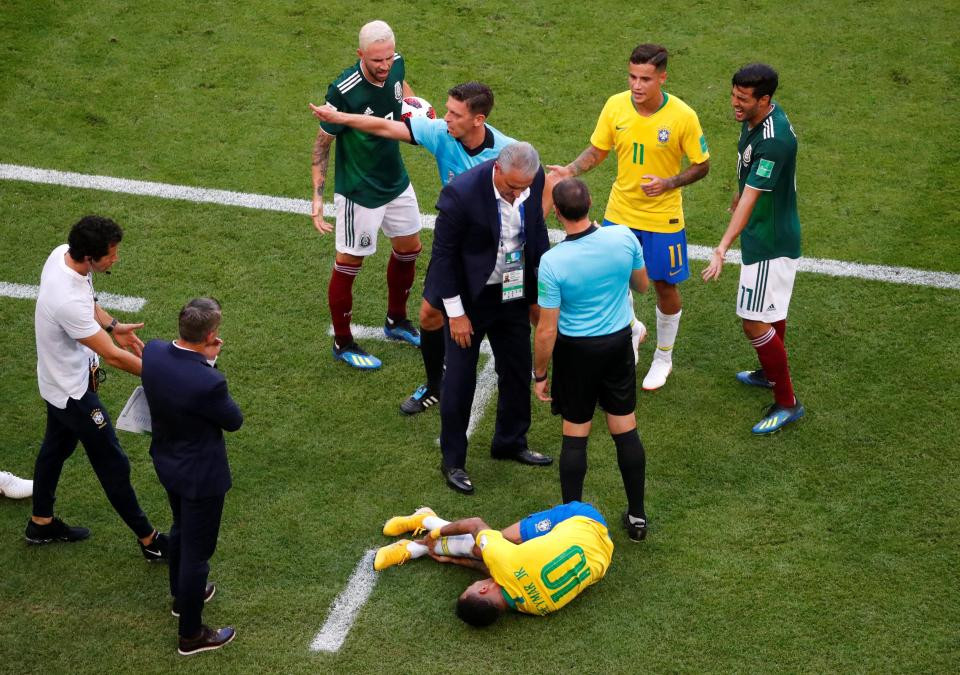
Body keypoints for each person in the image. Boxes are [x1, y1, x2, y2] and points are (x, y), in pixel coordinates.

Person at [311, 81, 516, 414]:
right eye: (446, 110)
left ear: (478, 120)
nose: (444, 117)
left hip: (499, 253)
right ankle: (434, 385)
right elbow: (383, 125)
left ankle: (527, 383)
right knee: (429, 315)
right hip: (454, 248)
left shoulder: (507, 153)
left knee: (514, 320)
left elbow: (542, 187)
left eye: (454, 113)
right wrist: (342, 117)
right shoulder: (439, 134)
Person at [548, 43, 710, 391]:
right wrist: (570, 170)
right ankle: (634, 329)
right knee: (615, 278)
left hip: (663, 217)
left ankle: (664, 357)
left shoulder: (683, 116)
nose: (637, 85)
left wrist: (670, 182)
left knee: (665, 285)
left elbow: (702, 165)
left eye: (646, 79)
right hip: (620, 211)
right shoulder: (615, 105)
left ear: (662, 78)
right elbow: (598, 149)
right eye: (633, 77)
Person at [27, 215, 168, 561]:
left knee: (55, 450)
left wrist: (113, 324)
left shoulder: (63, 255)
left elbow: (88, 304)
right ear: (90, 257)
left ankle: (40, 522)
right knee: (113, 464)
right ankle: (149, 541)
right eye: (111, 254)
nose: (116, 258)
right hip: (74, 394)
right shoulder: (66, 301)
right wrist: (165, 374)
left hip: (57, 381)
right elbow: (114, 357)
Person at [426, 142, 553, 494]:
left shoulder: (531, 179)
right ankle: (452, 461)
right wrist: (455, 314)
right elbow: (443, 258)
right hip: (469, 300)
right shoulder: (461, 193)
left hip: (511, 290)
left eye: (524, 188)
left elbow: (536, 227)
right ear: (497, 169)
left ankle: (510, 441)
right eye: (512, 187)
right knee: (460, 381)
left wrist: (539, 284)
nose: (518, 194)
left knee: (516, 368)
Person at [533, 179, 651, 541]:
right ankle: (637, 517)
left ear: (556, 212)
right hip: (616, 347)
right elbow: (642, 286)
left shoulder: (552, 262)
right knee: (625, 429)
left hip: (576, 353)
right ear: (590, 203)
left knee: (576, 435)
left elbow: (547, 330)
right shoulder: (624, 237)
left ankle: (572, 523)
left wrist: (539, 373)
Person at [310, 19, 423, 370]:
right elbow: (321, 145)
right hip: (358, 191)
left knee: (410, 249)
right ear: (361, 54)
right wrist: (317, 197)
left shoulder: (396, 64)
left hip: (396, 181)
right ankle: (342, 342)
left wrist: (414, 104)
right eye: (377, 60)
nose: (385, 66)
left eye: (389, 58)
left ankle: (395, 321)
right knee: (349, 262)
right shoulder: (343, 90)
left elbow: (402, 89)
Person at [702, 64, 804, 434]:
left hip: (769, 243)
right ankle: (768, 373)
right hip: (768, 233)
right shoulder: (759, 122)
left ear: (765, 99)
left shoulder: (774, 141)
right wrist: (737, 195)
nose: (734, 104)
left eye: (743, 99)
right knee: (771, 309)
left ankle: (787, 402)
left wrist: (722, 247)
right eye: (733, 95)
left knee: (752, 320)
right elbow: (749, 181)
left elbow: (753, 197)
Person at [141, 298, 243, 655]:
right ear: (211, 335)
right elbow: (233, 421)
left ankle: (182, 598)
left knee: (182, 528)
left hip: (168, 463)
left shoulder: (153, 352)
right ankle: (191, 634)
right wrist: (210, 361)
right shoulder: (208, 381)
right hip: (201, 476)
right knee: (198, 554)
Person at [373, 501, 613, 626]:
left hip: (603, 554)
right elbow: (474, 524)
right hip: (584, 519)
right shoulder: (507, 565)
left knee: (483, 551)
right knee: (489, 544)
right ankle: (427, 522)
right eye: (474, 585)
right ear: (484, 589)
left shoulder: (534, 608)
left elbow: (497, 572)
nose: (477, 581)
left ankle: (417, 547)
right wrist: (435, 536)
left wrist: (452, 559)